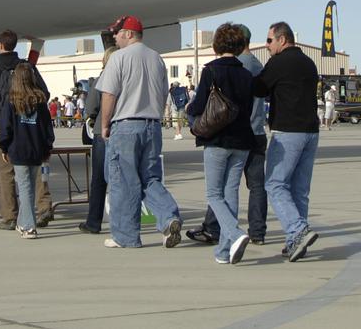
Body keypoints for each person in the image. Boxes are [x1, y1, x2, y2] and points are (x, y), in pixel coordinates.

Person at [97, 14, 183, 250]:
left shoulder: (119, 58)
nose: (114, 37)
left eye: (117, 33)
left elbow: (109, 94)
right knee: (150, 178)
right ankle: (169, 217)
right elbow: (164, 93)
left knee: (123, 181)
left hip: (125, 125)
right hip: (152, 125)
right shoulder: (156, 58)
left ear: (128, 34)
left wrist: (105, 124)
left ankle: (126, 236)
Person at [188, 23, 267, 248]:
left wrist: (191, 114)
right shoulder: (246, 73)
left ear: (216, 44)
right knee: (231, 191)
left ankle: (233, 232)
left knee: (214, 194)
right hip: (243, 140)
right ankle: (225, 249)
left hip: (218, 139)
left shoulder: (211, 70)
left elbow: (200, 104)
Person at [253, 21, 322, 262]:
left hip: (288, 131)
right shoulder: (308, 62)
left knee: (275, 184)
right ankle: (296, 240)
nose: (267, 45)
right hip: (311, 131)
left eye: (269, 40)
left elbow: (259, 88)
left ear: (282, 40)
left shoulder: (279, 62)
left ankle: (297, 230)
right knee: (300, 189)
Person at [0, 29, 53, 230]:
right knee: (35, 168)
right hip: (32, 121)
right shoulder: (27, 66)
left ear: (0, 45)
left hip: (6, 122)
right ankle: (43, 207)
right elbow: (44, 92)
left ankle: (9, 216)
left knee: (7, 173)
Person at [0, 62, 55, 240]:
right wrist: (47, 147)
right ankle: (23, 222)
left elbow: (6, 127)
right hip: (36, 150)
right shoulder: (40, 100)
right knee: (27, 186)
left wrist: (4, 146)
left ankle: (29, 227)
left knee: (25, 188)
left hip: (19, 150)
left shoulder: (11, 100)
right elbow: (47, 128)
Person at [78, 46, 117, 235]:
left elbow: (91, 107)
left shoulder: (103, 77)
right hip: (122, 129)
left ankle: (93, 221)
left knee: (99, 179)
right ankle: (123, 219)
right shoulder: (126, 77)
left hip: (102, 131)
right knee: (122, 177)